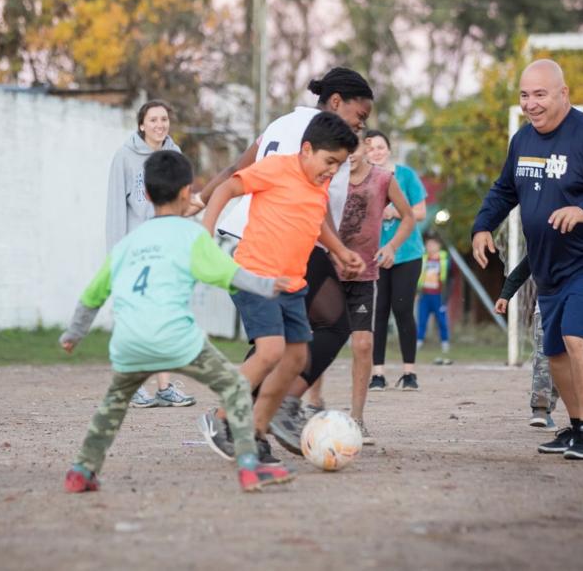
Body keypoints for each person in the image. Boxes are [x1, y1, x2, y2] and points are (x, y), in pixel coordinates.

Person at [60, 150, 294, 493]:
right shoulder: (192, 236)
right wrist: (268, 284)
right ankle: (249, 466)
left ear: (149, 195)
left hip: (129, 343)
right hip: (177, 340)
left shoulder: (128, 244)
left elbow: (92, 296)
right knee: (233, 386)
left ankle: (82, 470)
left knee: (113, 403)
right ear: (188, 192)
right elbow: (230, 274)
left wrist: (73, 333)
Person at [472, 58, 583, 461]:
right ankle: (576, 428)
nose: (531, 104)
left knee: (573, 333)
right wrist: (482, 226)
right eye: (524, 95)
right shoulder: (523, 141)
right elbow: (504, 189)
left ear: (563, 94)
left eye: (540, 94)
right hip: (551, 264)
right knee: (555, 350)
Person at [197, 111, 363, 463]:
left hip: (292, 284)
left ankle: (255, 431)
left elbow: (315, 221)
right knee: (270, 352)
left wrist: (340, 252)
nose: (333, 171)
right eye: (329, 161)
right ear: (306, 149)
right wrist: (205, 231)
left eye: (340, 164)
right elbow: (229, 186)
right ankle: (221, 419)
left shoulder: (317, 186)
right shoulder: (276, 168)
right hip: (255, 276)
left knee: (297, 358)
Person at [274, 132, 416, 447]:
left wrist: (392, 246)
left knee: (363, 344)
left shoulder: (383, 179)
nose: (348, 156)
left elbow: (408, 218)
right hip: (327, 273)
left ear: (365, 149)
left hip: (364, 274)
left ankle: (358, 417)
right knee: (316, 338)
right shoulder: (329, 177)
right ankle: (312, 402)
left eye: (354, 149)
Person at [105, 100, 195, 408]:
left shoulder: (176, 156)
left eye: (164, 119)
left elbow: (182, 204)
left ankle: (165, 387)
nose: (160, 124)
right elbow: (116, 208)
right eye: (153, 119)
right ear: (142, 124)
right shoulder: (125, 157)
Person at [364, 130, 428, 391]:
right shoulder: (362, 179)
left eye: (380, 147)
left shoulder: (405, 175)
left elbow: (421, 212)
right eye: (370, 148)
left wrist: (397, 211)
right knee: (378, 312)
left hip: (407, 253)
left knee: (402, 309)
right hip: (375, 255)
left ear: (388, 149)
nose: (376, 152)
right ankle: (377, 374)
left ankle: (409, 373)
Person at [494, 257, 559, 430]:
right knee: (543, 357)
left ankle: (580, 419)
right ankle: (541, 409)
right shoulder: (543, 241)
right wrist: (505, 295)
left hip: (577, 307)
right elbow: (523, 269)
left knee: (567, 362)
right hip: (546, 308)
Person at [417, 237, 452, 365]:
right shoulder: (423, 258)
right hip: (425, 294)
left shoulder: (445, 258)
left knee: (442, 320)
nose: (430, 247)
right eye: (428, 245)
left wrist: (446, 294)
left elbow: (450, 277)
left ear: (438, 245)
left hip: (438, 295)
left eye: (432, 244)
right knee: (422, 320)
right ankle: (418, 342)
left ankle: (445, 343)